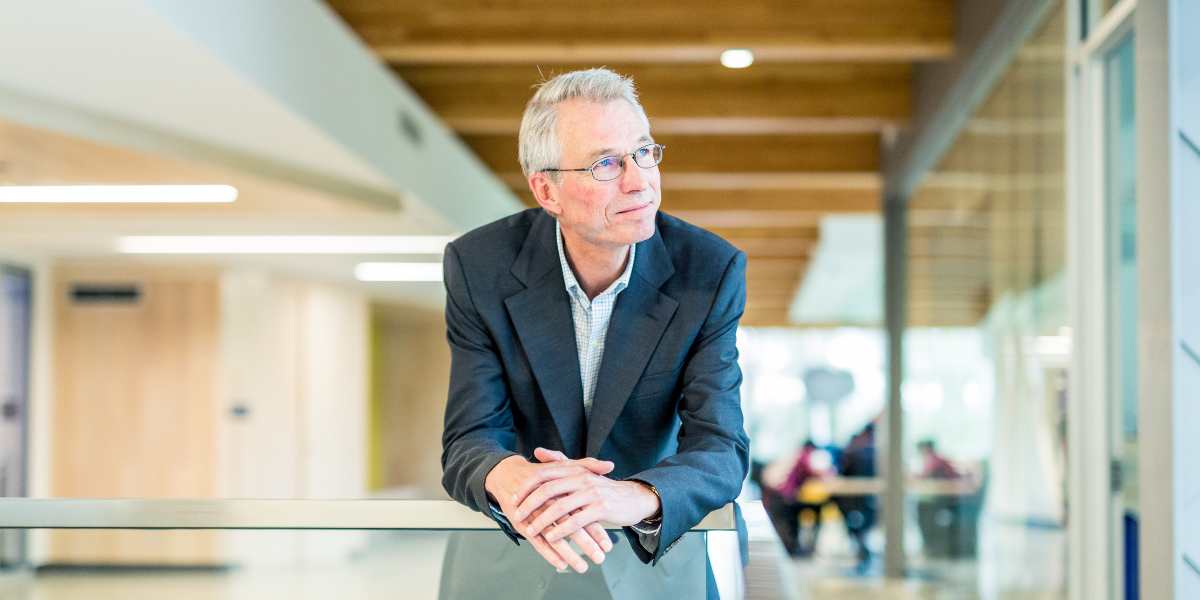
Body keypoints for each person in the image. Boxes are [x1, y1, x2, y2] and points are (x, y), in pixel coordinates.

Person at [438, 68, 750, 600]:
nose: (639, 180)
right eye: (606, 163)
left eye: (645, 152)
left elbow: (721, 447)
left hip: (649, 564)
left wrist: (626, 495)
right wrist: (511, 477)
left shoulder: (709, 269)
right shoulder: (479, 264)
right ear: (547, 190)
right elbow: (468, 438)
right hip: (515, 558)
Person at [761, 440, 831, 557]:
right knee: (788, 523)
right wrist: (827, 475)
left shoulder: (793, 455)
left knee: (785, 524)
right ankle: (791, 550)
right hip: (783, 495)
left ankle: (790, 550)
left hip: (775, 494)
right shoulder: (804, 455)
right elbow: (812, 472)